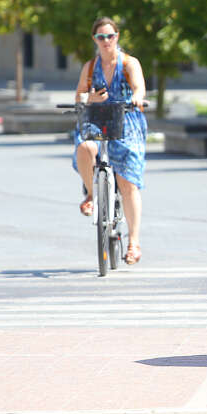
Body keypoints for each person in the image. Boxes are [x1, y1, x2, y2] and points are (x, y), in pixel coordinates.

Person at [72, 17, 147, 265]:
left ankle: (133, 242)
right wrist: (89, 97)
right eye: (101, 37)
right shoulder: (90, 66)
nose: (106, 41)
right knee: (85, 147)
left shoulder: (128, 63)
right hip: (96, 118)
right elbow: (79, 95)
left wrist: (136, 98)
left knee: (128, 184)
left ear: (117, 37)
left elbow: (139, 88)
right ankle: (92, 195)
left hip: (126, 122)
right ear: (95, 40)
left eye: (110, 36)